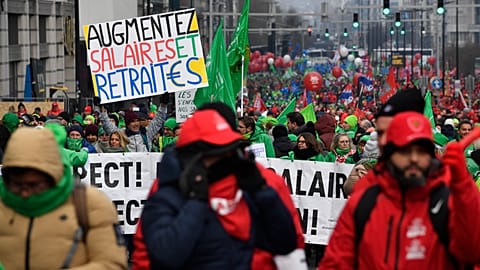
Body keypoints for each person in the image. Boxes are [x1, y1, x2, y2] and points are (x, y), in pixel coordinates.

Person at [318, 111, 480, 269]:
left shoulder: (449, 200)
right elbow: (336, 261)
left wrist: (463, 185)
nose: (414, 158)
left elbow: (472, 251)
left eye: (421, 151)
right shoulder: (364, 203)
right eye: (405, 151)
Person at [140, 109, 297, 269]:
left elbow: (285, 244)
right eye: (218, 151)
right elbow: (165, 254)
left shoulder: (244, 189)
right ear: (194, 155)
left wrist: (262, 192)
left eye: (230, 149)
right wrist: (196, 202)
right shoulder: (168, 194)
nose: (227, 157)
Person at [0, 127, 127, 269]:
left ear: (54, 176)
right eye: (17, 185)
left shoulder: (90, 204)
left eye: (34, 184)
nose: (25, 193)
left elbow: (112, 264)